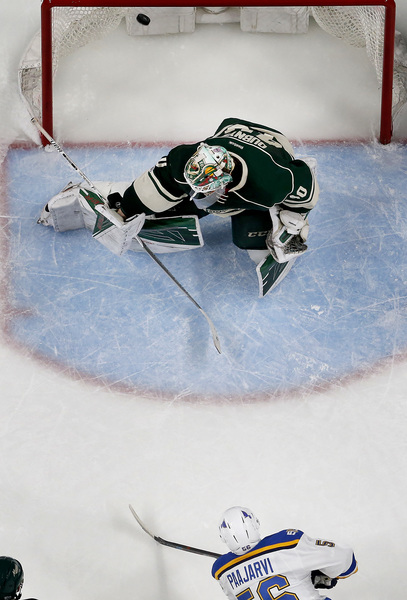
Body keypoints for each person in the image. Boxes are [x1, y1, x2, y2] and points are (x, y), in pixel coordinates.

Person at [38, 117, 319, 296]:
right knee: (173, 203)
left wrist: (294, 221)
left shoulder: (269, 183)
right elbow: (153, 186)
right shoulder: (184, 160)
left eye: (208, 189)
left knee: (249, 238)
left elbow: (307, 190)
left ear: (227, 181)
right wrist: (125, 210)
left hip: (272, 147)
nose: (198, 194)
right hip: (231, 131)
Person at [212, 507, 357, 600]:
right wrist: (326, 575)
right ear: (255, 524)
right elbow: (344, 557)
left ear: (223, 537)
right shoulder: (287, 543)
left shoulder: (221, 571)